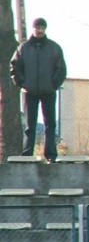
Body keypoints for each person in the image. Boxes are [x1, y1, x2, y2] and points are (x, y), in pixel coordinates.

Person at [10, 17, 67, 162]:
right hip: (30, 92)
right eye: (38, 28)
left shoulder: (54, 48)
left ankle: (51, 155)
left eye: (42, 28)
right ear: (33, 28)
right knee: (30, 125)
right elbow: (15, 67)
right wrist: (22, 84)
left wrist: (53, 84)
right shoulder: (23, 48)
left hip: (48, 91)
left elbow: (61, 69)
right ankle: (27, 155)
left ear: (45, 29)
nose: (40, 30)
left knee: (50, 124)